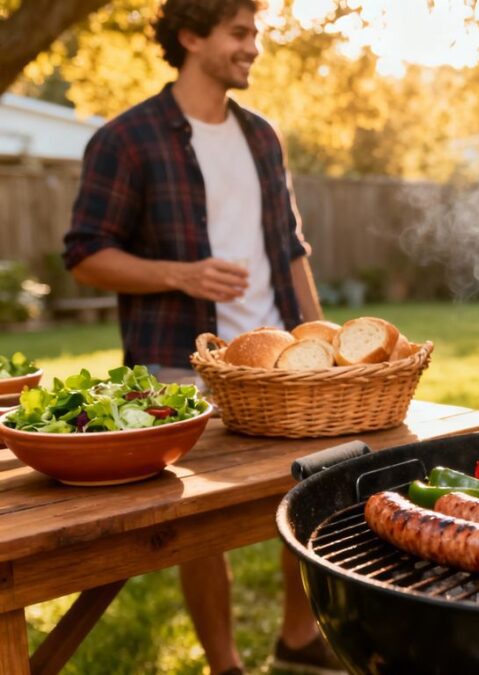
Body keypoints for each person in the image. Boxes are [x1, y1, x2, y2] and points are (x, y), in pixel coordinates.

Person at [62, 1, 339, 673]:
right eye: (239, 34)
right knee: (198, 519)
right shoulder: (128, 138)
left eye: (256, 34)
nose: (254, 48)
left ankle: (298, 637)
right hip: (181, 363)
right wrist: (178, 274)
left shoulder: (262, 136)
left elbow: (291, 248)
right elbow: (85, 253)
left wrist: (325, 343)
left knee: (313, 487)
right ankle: (225, 664)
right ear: (191, 36)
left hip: (280, 363)